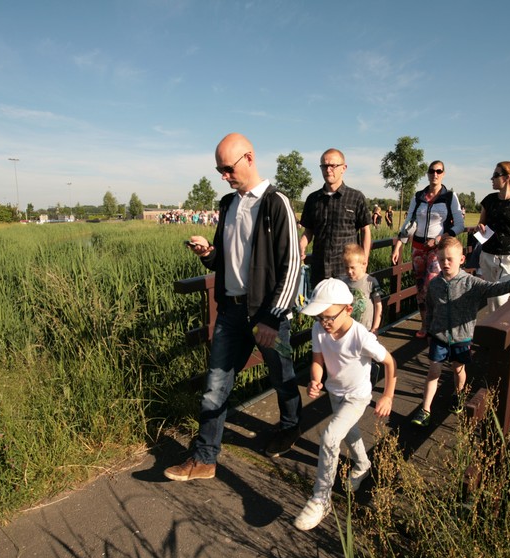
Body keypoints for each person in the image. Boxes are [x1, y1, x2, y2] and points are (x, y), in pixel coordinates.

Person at [164, 133, 303, 481]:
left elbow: (293, 266)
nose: (224, 176)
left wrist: (272, 317)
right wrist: (208, 253)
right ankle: (204, 458)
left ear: (249, 158)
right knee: (215, 385)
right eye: (219, 171)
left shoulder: (276, 203)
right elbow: (223, 261)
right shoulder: (227, 204)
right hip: (231, 312)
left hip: (267, 315)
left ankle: (290, 426)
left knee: (282, 375)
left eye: (228, 168)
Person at [294, 278, 396, 530]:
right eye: (319, 317)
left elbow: (389, 362)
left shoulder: (361, 337)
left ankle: (321, 498)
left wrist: (388, 395)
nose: (324, 323)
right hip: (334, 392)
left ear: (348, 310)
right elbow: (317, 360)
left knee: (330, 437)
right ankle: (363, 465)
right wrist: (315, 380)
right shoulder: (319, 329)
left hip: (357, 396)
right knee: (349, 432)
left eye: (329, 317)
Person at [410, 237, 510, 427]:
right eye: (441, 259)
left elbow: (493, 288)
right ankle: (425, 410)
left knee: (458, 369)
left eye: (450, 259)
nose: (445, 263)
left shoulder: (470, 283)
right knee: (433, 371)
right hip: (439, 336)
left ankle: (458, 395)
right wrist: (430, 331)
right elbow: (430, 308)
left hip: (461, 337)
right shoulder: (434, 284)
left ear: (461, 259)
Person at [391, 160, 464, 338]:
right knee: (419, 288)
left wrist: (439, 239)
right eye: (432, 171)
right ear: (428, 173)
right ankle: (425, 325)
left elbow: (460, 225)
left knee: (431, 285)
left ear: (443, 174)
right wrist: (399, 245)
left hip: (438, 249)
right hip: (417, 248)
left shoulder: (450, 197)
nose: (435, 174)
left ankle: (435, 324)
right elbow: (409, 222)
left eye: (438, 171)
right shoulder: (418, 196)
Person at [299, 149, 372, 286]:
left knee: (349, 301)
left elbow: (365, 230)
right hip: (319, 270)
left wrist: (364, 261)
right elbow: (309, 231)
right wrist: (301, 246)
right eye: (324, 166)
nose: (328, 170)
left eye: (333, 165)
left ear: (343, 168)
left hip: (347, 270)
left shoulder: (356, 197)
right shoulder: (313, 199)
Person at [475, 161, 510, 312]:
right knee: (491, 297)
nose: (492, 179)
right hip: (488, 255)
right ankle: (494, 323)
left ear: (507, 177)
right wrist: (480, 227)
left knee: (499, 298)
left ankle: (501, 325)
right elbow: (481, 223)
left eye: (496, 175)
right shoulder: (489, 200)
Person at [340, 243, 382, 334]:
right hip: (348, 329)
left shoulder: (370, 282)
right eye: (346, 268)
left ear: (363, 264)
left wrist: (375, 328)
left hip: (366, 329)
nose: (349, 271)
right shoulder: (343, 283)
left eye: (352, 268)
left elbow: (378, 305)